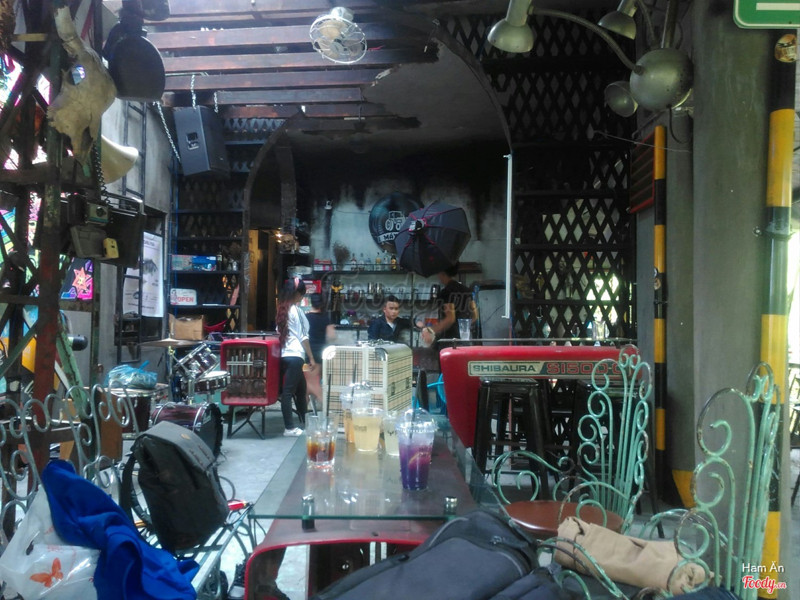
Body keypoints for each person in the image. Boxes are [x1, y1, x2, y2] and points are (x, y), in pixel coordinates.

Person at [276, 278, 316, 436]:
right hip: (296, 355)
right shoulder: (296, 310)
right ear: (297, 293)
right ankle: (289, 428)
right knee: (288, 392)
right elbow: (303, 336)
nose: (302, 297)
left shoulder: (282, 309)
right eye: (302, 294)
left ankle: (305, 422)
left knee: (301, 390)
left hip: (286, 354)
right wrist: (311, 357)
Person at [420, 263, 478, 346]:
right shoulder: (467, 290)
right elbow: (475, 316)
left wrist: (431, 330)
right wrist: (463, 328)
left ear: (442, 273)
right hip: (465, 339)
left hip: (450, 341)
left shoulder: (446, 292)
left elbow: (450, 319)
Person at [306, 293, 337, 365]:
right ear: (322, 303)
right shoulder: (326, 318)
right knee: (320, 372)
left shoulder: (305, 317)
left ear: (311, 302)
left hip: (308, 351)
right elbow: (332, 337)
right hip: (321, 352)